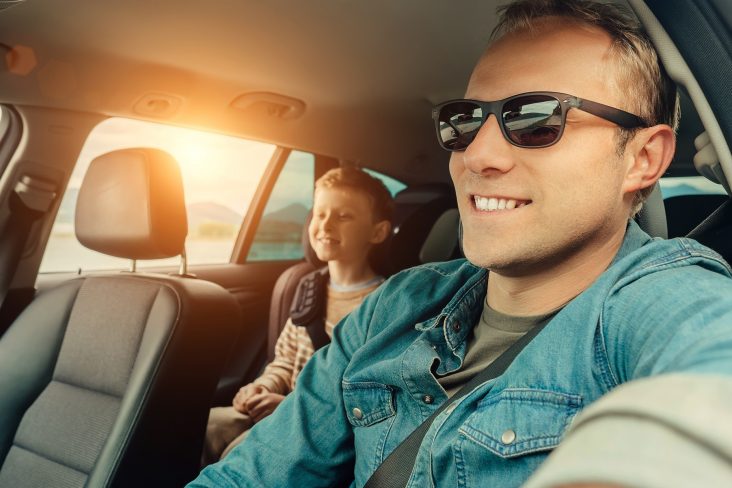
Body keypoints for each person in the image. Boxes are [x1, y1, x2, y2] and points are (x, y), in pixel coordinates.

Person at [190, 1, 732, 486]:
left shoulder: (657, 301)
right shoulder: (395, 309)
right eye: (465, 122)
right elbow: (249, 475)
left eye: (537, 119)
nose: (477, 156)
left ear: (643, 159)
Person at [201, 166, 393, 465]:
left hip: (329, 432)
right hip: (282, 412)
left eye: (343, 216)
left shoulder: (383, 306)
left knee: (238, 456)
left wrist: (291, 408)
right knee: (204, 426)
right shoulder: (308, 291)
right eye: (319, 214)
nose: (326, 226)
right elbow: (286, 360)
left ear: (377, 231)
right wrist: (264, 387)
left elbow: (367, 395)